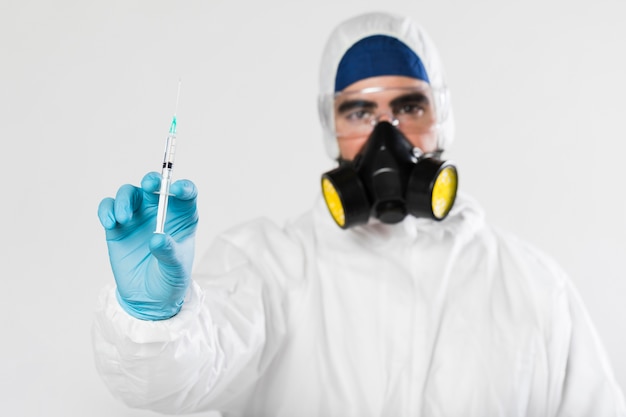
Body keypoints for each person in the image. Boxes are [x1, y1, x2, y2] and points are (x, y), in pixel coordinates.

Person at [92, 11, 626, 417]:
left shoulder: (531, 287)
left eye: (409, 107)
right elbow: (173, 380)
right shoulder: (270, 268)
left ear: (442, 117)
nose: (385, 136)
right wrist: (153, 319)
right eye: (360, 111)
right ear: (332, 126)